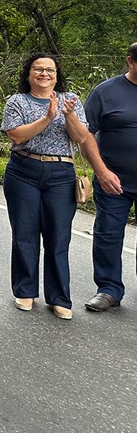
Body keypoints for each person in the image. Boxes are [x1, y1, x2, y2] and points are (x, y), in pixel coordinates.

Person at [1, 53, 92, 319]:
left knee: (58, 236)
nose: (44, 74)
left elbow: (81, 137)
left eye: (50, 70)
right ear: (28, 74)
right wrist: (48, 117)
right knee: (24, 234)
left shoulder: (70, 99)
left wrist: (69, 115)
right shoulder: (17, 101)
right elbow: (16, 136)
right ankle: (25, 290)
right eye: (38, 69)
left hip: (61, 174)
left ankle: (59, 297)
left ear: (56, 74)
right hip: (23, 170)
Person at [82, 42, 137, 312]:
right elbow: (85, 134)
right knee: (108, 235)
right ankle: (109, 289)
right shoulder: (106, 92)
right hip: (114, 180)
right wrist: (102, 171)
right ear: (130, 61)